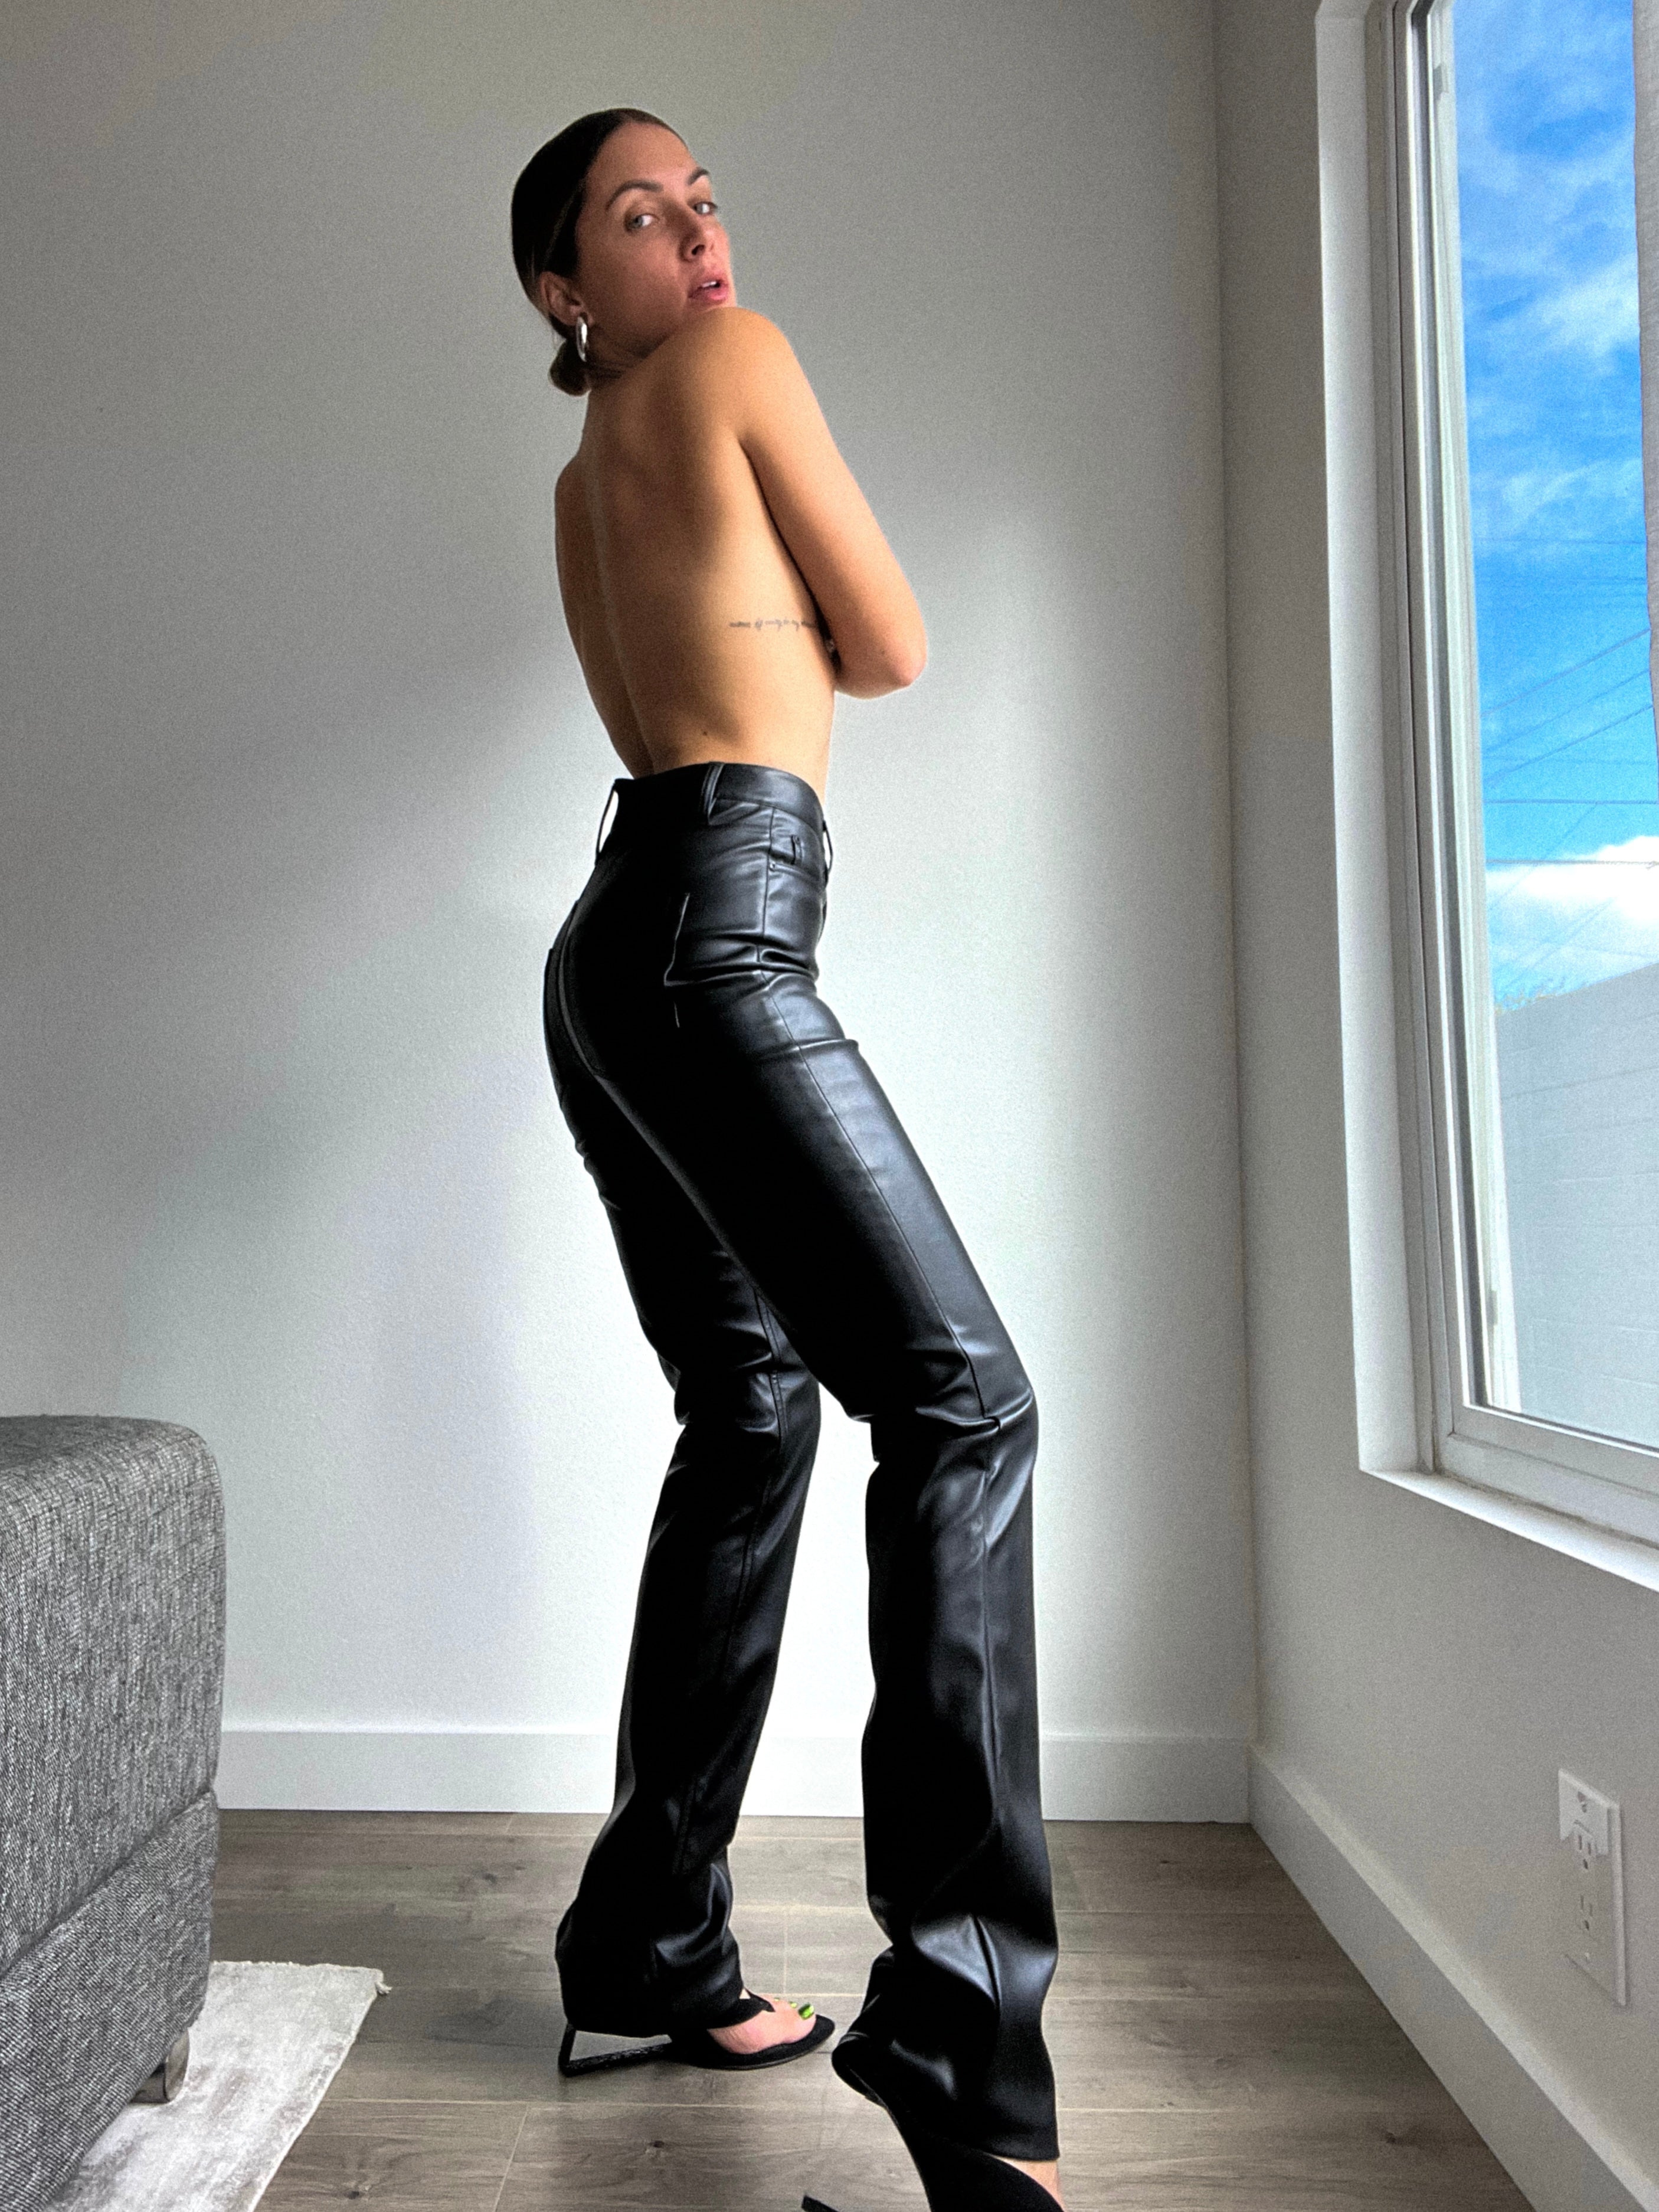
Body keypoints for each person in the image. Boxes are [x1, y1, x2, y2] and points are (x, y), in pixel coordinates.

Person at [511, 107, 1065, 2212]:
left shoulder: (582, 481)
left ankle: (647, 1946)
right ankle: (957, 2048)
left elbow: (663, 699)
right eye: (637, 218)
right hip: (718, 929)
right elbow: (889, 644)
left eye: (704, 200)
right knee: (963, 1404)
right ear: (566, 289)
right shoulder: (737, 369)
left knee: (753, 1412)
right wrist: (803, 637)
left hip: (610, 951)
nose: (697, 236)